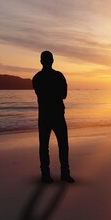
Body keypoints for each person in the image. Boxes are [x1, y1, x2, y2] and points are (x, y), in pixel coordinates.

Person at [32, 51, 75, 183]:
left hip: (45, 115)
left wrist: (50, 93)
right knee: (62, 145)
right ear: (52, 61)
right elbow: (63, 95)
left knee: (44, 146)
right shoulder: (58, 76)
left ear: (41, 61)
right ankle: (64, 174)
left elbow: (42, 94)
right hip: (56, 115)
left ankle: (46, 174)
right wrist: (54, 92)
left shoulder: (37, 78)